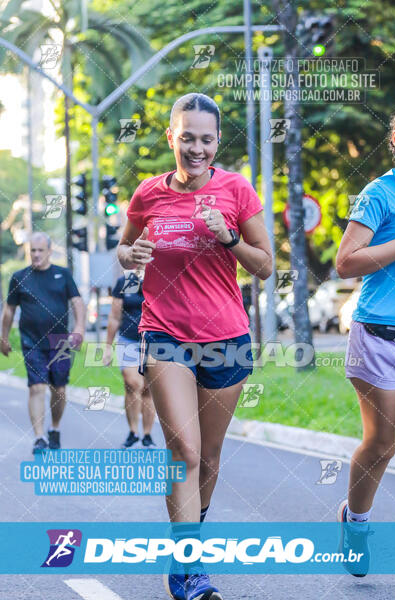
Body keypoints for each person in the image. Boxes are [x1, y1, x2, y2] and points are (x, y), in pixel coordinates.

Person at [117, 93, 272, 600]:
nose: (197, 148)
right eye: (187, 138)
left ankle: (189, 540)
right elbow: (124, 247)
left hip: (226, 336)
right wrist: (131, 252)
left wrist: (228, 237)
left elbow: (265, 264)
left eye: (206, 139)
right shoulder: (148, 193)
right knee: (183, 450)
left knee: (208, 456)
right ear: (171, 138)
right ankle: (190, 564)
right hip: (164, 333)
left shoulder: (236, 189)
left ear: (216, 141)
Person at [336, 108, 395, 577]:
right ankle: (355, 523)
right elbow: (346, 262)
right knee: (381, 443)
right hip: (379, 333)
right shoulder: (380, 194)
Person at [0, 232, 85, 454]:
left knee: (59, 389)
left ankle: (54, 428)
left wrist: (79, 328)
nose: (36, 255)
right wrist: (4, 337)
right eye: (33, 251)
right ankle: (39, 437)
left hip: (60, 341)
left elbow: (77, 302)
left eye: (40, 250)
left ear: (49, 251)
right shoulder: (19, 277)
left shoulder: (63, 275)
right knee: (36, 387)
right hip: (32, 341)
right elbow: (9, 310)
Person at [103, 272, 156, 448]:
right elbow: (115, 316)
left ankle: (147, 434)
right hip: (129, 340)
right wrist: (108, 347)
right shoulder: (127, 281)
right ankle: (133, 432)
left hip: (154, 341)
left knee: (149, 389)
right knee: (133, 384)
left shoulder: (160, 277)